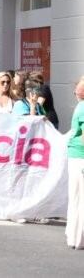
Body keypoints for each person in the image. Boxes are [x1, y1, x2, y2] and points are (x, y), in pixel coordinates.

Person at [66, 76, 84, 249]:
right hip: (79, 155)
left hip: (77, 155)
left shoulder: (80, 107)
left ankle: (75, 237)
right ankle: (76, 237)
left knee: (76, 198)